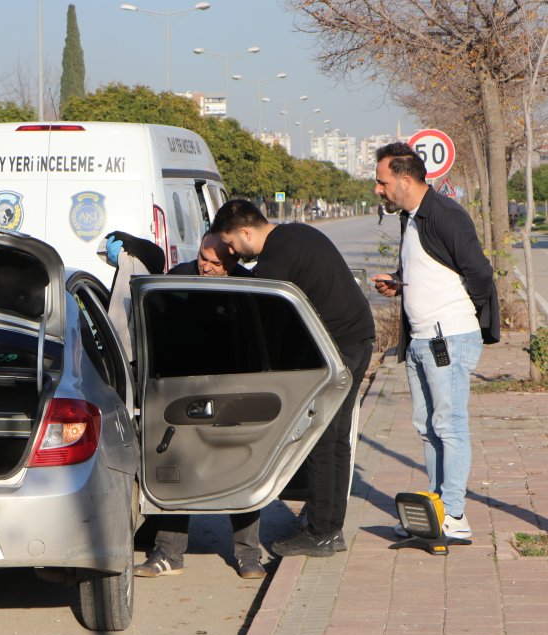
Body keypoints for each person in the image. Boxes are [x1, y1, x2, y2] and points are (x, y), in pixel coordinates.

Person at [212, 199, 375, 558]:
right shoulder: (295, 235)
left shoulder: (274, 260)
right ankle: (328, 526)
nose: (233, 251)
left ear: (245, 231)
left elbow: (263, 324)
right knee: (334, 440)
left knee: (320, 439)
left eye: (232, 243)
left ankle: (321, 531)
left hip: (338, 351)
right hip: (355, 340)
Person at [110, 231, 267, 579]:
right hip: (181, 386)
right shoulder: (178, 277)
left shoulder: (250, 286)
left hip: (234, 388)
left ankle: (248, 554)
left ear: (232, 263)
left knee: (240, 468)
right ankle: (168, 552)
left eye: (215, 263)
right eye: (202, 258)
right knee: (176, 466)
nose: (206, 267)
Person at [371, 142, 498, 540]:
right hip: (421, 340)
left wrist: (465, 318)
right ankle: (437, 507)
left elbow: (479, 273)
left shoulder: (446, 215)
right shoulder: (411, 217)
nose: (378, 189)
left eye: (382, 181)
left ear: (405, 180)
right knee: (426, 427)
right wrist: (398, 282)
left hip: (448, 337)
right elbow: (429, 265)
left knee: (449, 425)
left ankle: (455, 516)